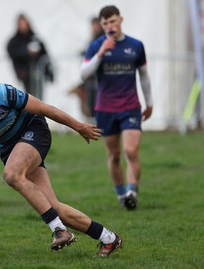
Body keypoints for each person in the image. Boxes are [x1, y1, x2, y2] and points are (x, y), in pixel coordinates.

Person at [0, 81, 123, 257]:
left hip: (34, 130)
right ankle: (108, 238)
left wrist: (79, 126)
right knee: (54, 208)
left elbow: (44, 108)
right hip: (11, 149)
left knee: (11, 174)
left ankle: (58, 231)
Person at [80, 5, 153, 210]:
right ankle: (122, 195)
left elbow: (144, 76)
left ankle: (132, 192)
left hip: (130, 107)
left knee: (130, 150)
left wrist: (150, 103)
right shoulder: (97, 46)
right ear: (101, 25)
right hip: (105, 109)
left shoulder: (136, 45)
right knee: (114, 155)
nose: (109, 26)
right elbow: (83, 74)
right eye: (105, 24)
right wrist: (102, 53)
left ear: (120, 20)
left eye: (112, 22)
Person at [7, 13, 54, 100]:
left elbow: (44, 55)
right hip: (24, 74)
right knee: (27, 96)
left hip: (38, 73)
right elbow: (12, 52)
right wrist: (27, 53)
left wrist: (49, 72)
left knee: (39, 95)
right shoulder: (14, 41)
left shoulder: (35, 38)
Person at [69, 17, 105, 118]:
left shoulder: (103, 39)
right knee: (91, 103)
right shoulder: (92, 39)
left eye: (96, 25)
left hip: (100, 77)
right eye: (93, 25)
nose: (94, 27)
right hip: (91, 77)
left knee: (97, 102)